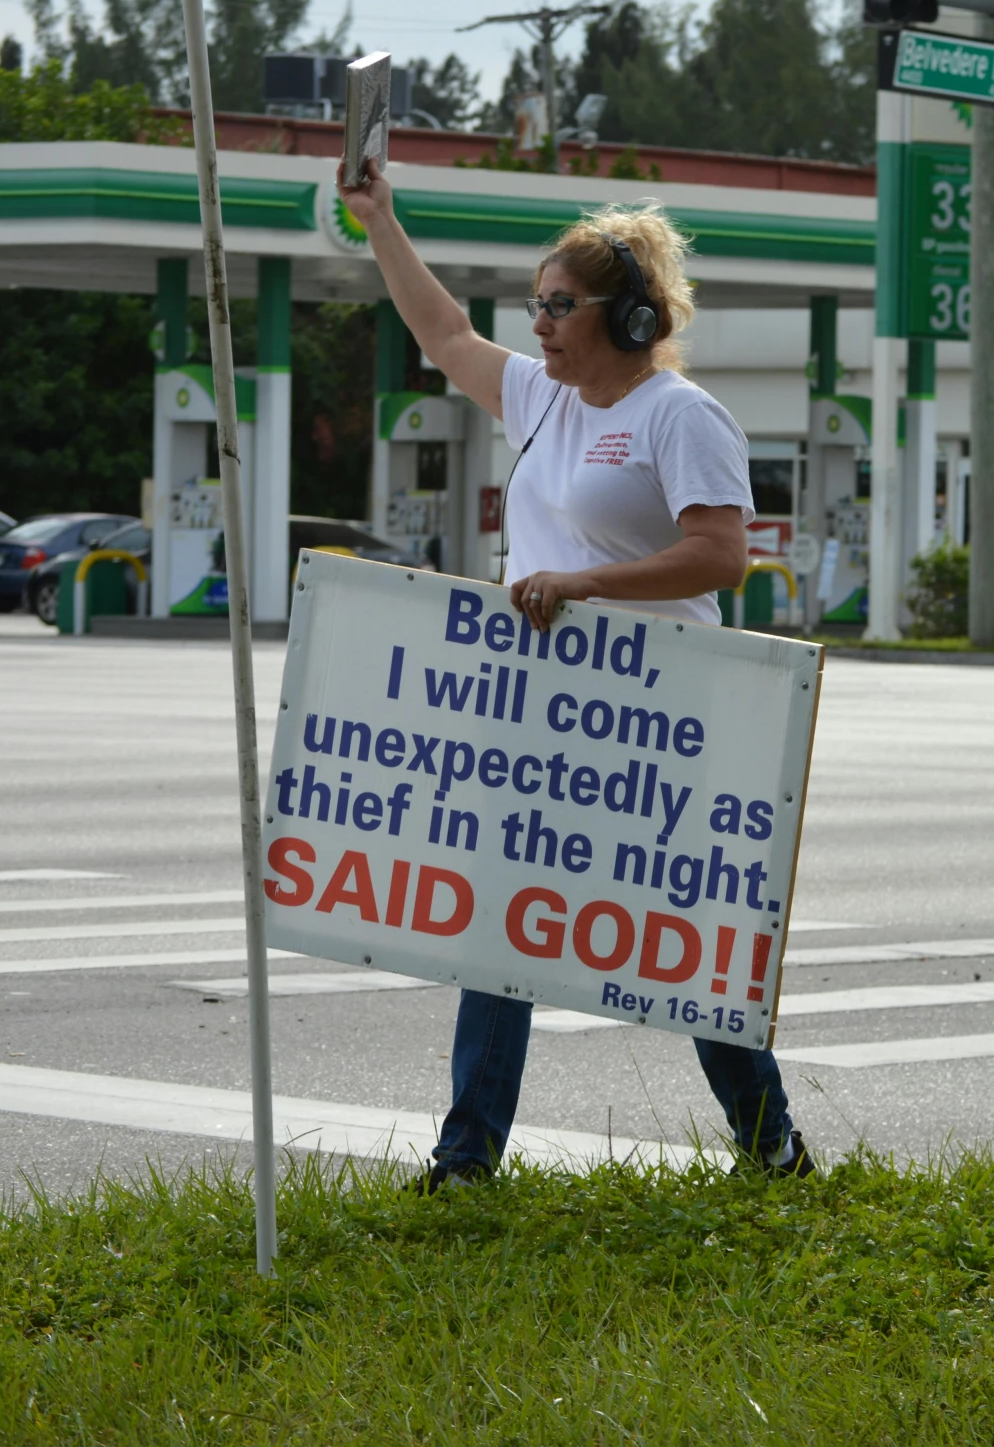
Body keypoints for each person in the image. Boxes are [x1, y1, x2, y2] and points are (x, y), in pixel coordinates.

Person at [337, 159, 812, 1187]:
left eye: (560, 305)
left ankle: (771, 1142)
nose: (539, 323)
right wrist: (379, 217)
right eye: (534, 304)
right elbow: (443, 336)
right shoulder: (540, 399)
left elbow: (721, 555)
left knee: (673, 946)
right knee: (495, 929)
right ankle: (465, 1158)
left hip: (662, 720)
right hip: (544, 713)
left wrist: (582, 581)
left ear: (631, 320)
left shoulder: (678, 415)